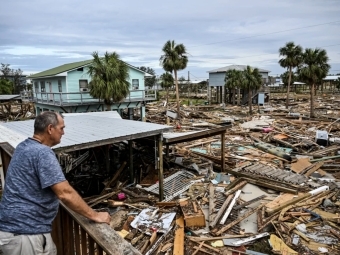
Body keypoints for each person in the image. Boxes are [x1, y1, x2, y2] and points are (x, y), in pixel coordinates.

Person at [0, 112, 111, 255]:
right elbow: (65, 193)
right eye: (61, 128)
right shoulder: (42, 153)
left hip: (18, 229)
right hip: (24, 233)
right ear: (50, 129)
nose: (63, 133)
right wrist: (95, 215)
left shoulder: (23, 146)